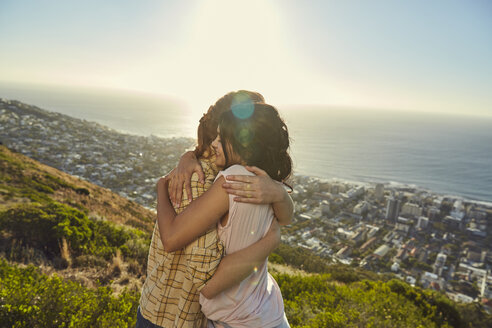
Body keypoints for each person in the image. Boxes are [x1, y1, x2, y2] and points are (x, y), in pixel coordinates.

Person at [138, 91, 293, 328]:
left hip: (171, 312)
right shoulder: (229, 179)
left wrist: (163, 183)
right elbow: (207, 279)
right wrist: (270, 241)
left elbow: (208, 281)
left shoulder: (230, 179)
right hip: (180, 316)